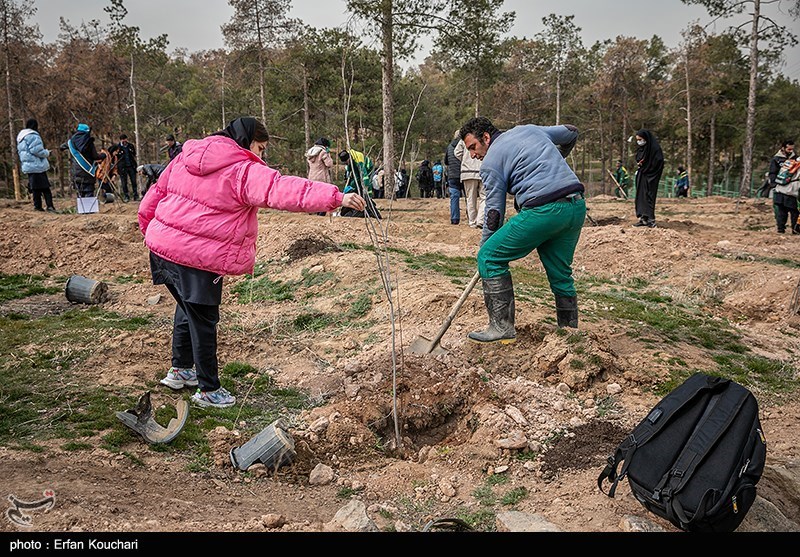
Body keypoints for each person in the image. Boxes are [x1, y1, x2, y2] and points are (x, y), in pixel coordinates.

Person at [138, 117, 366, 408]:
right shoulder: (243, 170)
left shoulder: (185, 157)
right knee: (204, 319)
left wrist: (150, 230)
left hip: (162, 249)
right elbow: (283, 190)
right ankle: (208, 390)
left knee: (186, 308)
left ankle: (181, 370)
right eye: (260, 147)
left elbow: (154, 194)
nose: (260, 155)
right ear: (247, 141)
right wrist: (336, 197)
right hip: (196, 256)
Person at [459, 116, 585, 344]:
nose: (472, 155)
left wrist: (485, 249)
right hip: (575, 207)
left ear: (486, 138)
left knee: (489, 257)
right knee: (561, 273)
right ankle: (569, 334)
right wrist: (557, 158)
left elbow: (494, 214)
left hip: (544, 211)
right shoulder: (530, 130)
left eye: (473, 147)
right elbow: (571, 131)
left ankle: (501, 327)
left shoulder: (491, 162)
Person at [16, 118, 56, 213]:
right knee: (45, 188)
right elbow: (37, 151)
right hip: (37, 166)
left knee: (35, 188)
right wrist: (47, 153)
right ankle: (50, 206)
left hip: (29, 166)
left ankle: (37, 206)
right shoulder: (33, 136)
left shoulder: (21, 137)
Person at [61, 123, 106, 199]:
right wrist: (103, 155)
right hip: (87, 172)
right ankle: (89, 210)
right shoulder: (89, 142)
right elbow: (95, 156)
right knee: (89, 192)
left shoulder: (71, 142)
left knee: (80, 194)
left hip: (76, 172)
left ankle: (82, 210)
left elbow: (61, 147)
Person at [633, 129, 664, 228]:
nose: (639, 142)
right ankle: (642, 218)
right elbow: (639, 157)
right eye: (637, 140)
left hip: (651, 177)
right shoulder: (642, 149)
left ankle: (650, 219)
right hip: (642, 175)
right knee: (641, 197)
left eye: (640, 139)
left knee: (649, 196)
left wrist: (648, 168)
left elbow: (658, 163)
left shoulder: (655, 149)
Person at [338, 148, 380, 219]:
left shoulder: (358, 160)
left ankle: (367, 202)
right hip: (356, 169)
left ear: (349, 158)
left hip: (368, 168)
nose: (346, 164)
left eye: (346, 162)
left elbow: (364, 174)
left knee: (363, 185)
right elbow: (350, 174)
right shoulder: (349, 159)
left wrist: (365, 188)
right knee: (354, 184)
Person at [455, 133, 486, 228]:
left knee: (470, 198)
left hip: (467, 172)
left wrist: (465, 160)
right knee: (484, 196)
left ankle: (472, 221)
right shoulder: (481, 138)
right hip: (482, 170)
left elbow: (457, 153)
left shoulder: (464, 140)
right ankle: (481, 220)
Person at [769, 139, 799, 234]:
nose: (791, 151)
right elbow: (772, 173)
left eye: (792, 149)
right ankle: (781, 229)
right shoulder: (776, 159)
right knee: (782, 211)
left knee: (794, 211)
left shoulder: (796, 159)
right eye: (789, 149)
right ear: (783, 148)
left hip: (792, 189)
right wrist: (774, 184)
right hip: (780, 188)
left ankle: (795, 230)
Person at [109, 134, 139, 202]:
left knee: (134, 181)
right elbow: (113, 155)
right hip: (122, 167)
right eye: (123, 139)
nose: (124, 141)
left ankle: (135, 196)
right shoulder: (118, 147)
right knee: (124, 182)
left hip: (131, 166)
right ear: (120, 140)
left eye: (125, 139)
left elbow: (134, 154)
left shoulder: (130, 146)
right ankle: (126, 196)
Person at [444, 130, 464, 225]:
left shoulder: (449, 147)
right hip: (464, 173)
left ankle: (455, 219)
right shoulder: (466, 145)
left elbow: (446, 161)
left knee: (454, 198)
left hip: (452, 175)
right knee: (469, 197)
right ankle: (472, 219)